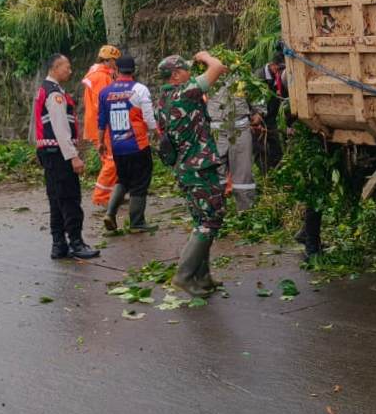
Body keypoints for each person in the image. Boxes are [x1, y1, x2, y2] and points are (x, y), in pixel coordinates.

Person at [157, 51, 229, 296]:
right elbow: (218, 67)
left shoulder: (163, 99)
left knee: (202, 221)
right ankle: (184, 276)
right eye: (186, 69)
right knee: (211, 220)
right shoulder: (185, 91)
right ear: (176, 75)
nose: (191, 72)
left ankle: (203, 276)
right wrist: (205, 56)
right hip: (199, 168)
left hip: (184, 169)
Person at [32, 54, 98, 260]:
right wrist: (73, 156)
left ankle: (59, 244)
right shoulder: (54, 94)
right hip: (59, 154)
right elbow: (61, 129)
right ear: (54, 68)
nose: (70, 71)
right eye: (66, 67)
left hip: (49, 152)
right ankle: (76, 243)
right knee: (69, 198)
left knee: (56, 199)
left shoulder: (45, 90)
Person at [97, 56, 155, 233]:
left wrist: (100, 142)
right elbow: (149, 119)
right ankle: (137, 222)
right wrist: (157, 131)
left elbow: (101, 121)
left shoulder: (105, 92)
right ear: (133, 70)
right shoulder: (139, 90)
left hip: (117, 147)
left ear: (116, 70)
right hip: (138, 146)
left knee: (123, 180)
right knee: (139, 183)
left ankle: (110, 213)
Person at [209, 73, 258, 213]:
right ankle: (217, 212)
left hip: (240, 129)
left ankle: (245, 211)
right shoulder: (207, 77)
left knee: (243, 173)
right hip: (216, 131)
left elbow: (257, 94)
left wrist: (258, 112)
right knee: (216, 172)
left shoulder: (243, 75)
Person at [83, 44, 123, 211]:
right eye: (116, 61)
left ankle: (112, 194)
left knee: (109, 160)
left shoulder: (99, 74)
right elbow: (104, 104)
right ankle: (102, 197)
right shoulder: (101, 76)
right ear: (110, 61)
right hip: (103, 125)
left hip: (99, 124)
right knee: (112, 161)